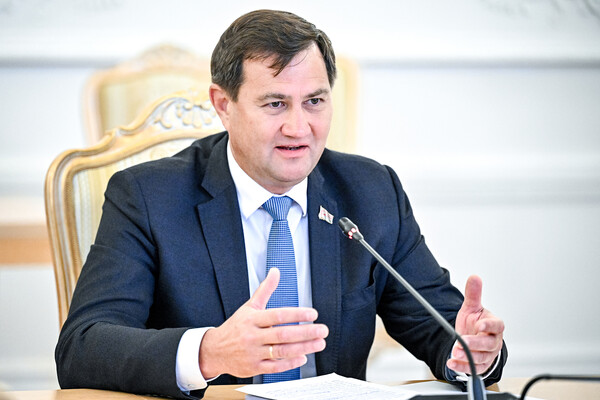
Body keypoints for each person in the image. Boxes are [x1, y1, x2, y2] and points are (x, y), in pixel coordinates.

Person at [55, 9, 507, 399]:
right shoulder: (148, 196)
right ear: (223, 104)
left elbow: (440, 327)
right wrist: (209, 351)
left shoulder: (371, 191)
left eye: (314, 102)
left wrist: (470, 351)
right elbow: (82, 348)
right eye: (275, 104)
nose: (298, 127)